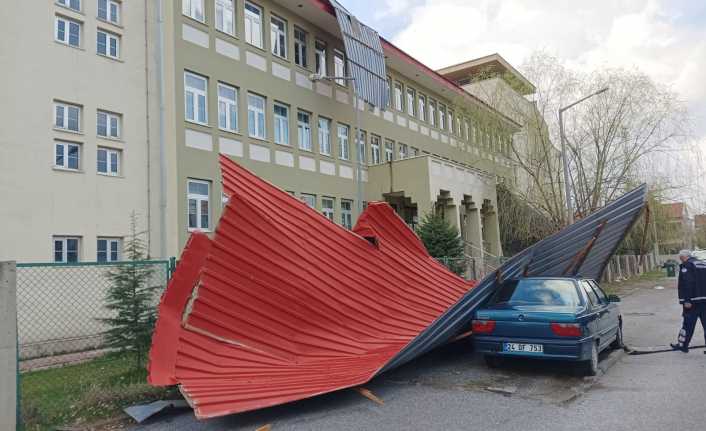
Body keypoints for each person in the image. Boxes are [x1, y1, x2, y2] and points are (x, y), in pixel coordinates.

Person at [671, 249, 706, 353]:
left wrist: (686, 300)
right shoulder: (703, 264)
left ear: (683, 257)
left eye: (681, 258)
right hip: (705, 301)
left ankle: (683, 345)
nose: (681, 260)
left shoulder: (687, 265)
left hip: (692, 302)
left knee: (687, 325)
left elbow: (687, 283)